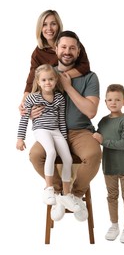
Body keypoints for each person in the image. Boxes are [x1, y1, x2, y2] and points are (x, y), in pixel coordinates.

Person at [29, 30, 102, 222]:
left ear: (78, 52)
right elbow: (32, 99)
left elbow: (91, 111)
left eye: (72, 48)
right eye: (63, 47)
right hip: (51, 131)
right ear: (56, 49)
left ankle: (75, 196)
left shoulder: (90, 77)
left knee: (94, 154)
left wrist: (68, 87)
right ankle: (60, 194)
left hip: (80, 132)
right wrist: (30, 112)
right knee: (36, 155)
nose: (67, 51)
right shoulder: (47, 74)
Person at [16, 64, 81, 213]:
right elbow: (24, 118)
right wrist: (20, 138)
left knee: (68, 159)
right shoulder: (32, 97)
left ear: (55, 80)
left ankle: (67, 193)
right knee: (51, 152)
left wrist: (64, 140)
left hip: (56, 130)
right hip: (41, 130)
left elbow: (61, 121)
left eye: (50, 79)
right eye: (44, 80)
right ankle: (49, 188)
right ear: (38, 82)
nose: (48, 83)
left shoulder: (59, 98)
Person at [19, 9, 90, 110]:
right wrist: (24, 100)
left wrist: (60, 79)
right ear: (40, 28)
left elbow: (85, 66)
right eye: (44, 24)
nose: (49, 28)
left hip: (74, 93)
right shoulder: (38, 53)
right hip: (52, 98)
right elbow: (32, 77)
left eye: (53, 24)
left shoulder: (71, 42)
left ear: (59, 26)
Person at [93, 84, 124, 243]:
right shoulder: (103, 122)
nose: (113, 102)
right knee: (111, 197)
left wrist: (103, 141)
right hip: (108, 166)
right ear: (105, 102)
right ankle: (114, 225)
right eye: (110, 99)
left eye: (117, 99)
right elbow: (95, 138)